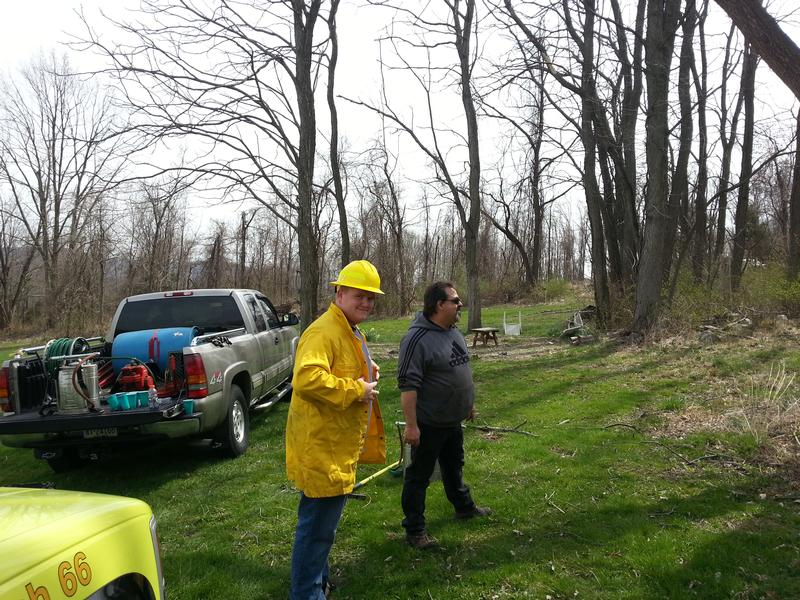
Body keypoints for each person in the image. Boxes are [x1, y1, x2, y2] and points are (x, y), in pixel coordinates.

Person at [286, 260, 386, 599]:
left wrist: (366, 369)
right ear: (340, 292)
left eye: (372, 298)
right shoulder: (323, 331)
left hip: (336, 449)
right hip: (322, 452)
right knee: (315, 531)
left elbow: (339, 366)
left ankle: (319, 583)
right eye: (360, 296)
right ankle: (306, 593)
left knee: (322, 530)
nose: (367, 304)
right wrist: (357, 389)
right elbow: (307, 378)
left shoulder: (350, 330)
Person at [398, 281, 491, 550]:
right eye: (455, 300)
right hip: (428, 423)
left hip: (453, 420)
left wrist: (468, 405)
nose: (460, 304)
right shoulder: (416, 340)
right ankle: (415, 530)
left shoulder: (453, 332)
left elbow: (461, 371)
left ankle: (463, 507)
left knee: (454, 466)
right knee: (419, 477)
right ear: (439, 305)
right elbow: (408, 387)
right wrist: (412, 426)